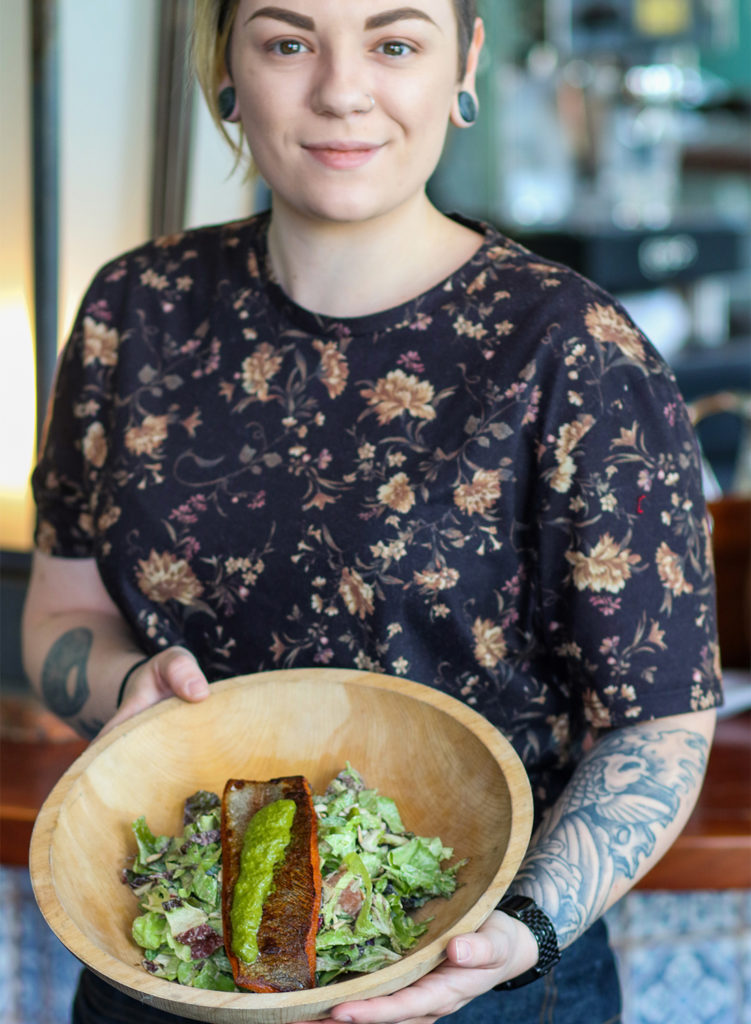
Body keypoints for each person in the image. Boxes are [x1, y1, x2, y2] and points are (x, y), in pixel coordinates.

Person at [22, 1, 723, 1022]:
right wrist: (128, 683)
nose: (342, 88)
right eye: (287, 41)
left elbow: (658, 728)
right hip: (170, 967)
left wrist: (513, 934)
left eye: (394, 43)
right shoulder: (135, 308)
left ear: (464, 64)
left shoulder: (572, 351)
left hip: (473, 971)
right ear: (226, 62)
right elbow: (61, 608)